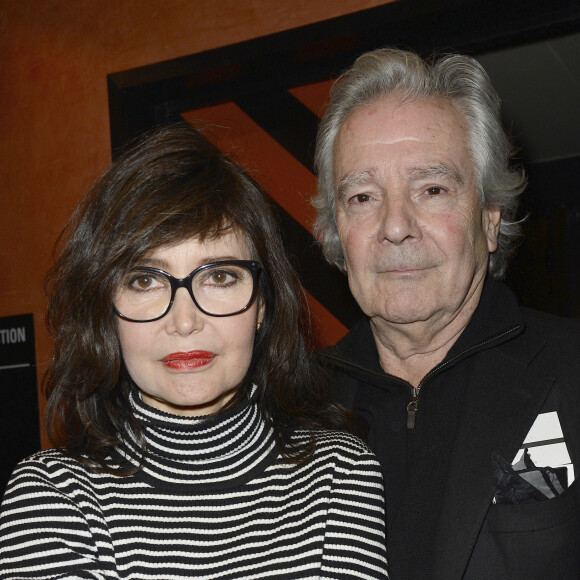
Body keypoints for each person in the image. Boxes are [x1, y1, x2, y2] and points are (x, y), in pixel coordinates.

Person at [0, 123, 388, 579]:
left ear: (262, 303)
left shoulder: (340, 474)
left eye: (219, 276)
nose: (184, 322)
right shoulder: (52, 496)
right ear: (106, 309)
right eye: (144, 280)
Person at [312, 47, 580, 579]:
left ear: (487, 220)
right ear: (337, 229)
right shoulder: (292, 407)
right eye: (362, 197)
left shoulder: (572, 369)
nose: (395, 226)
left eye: (432, 189)